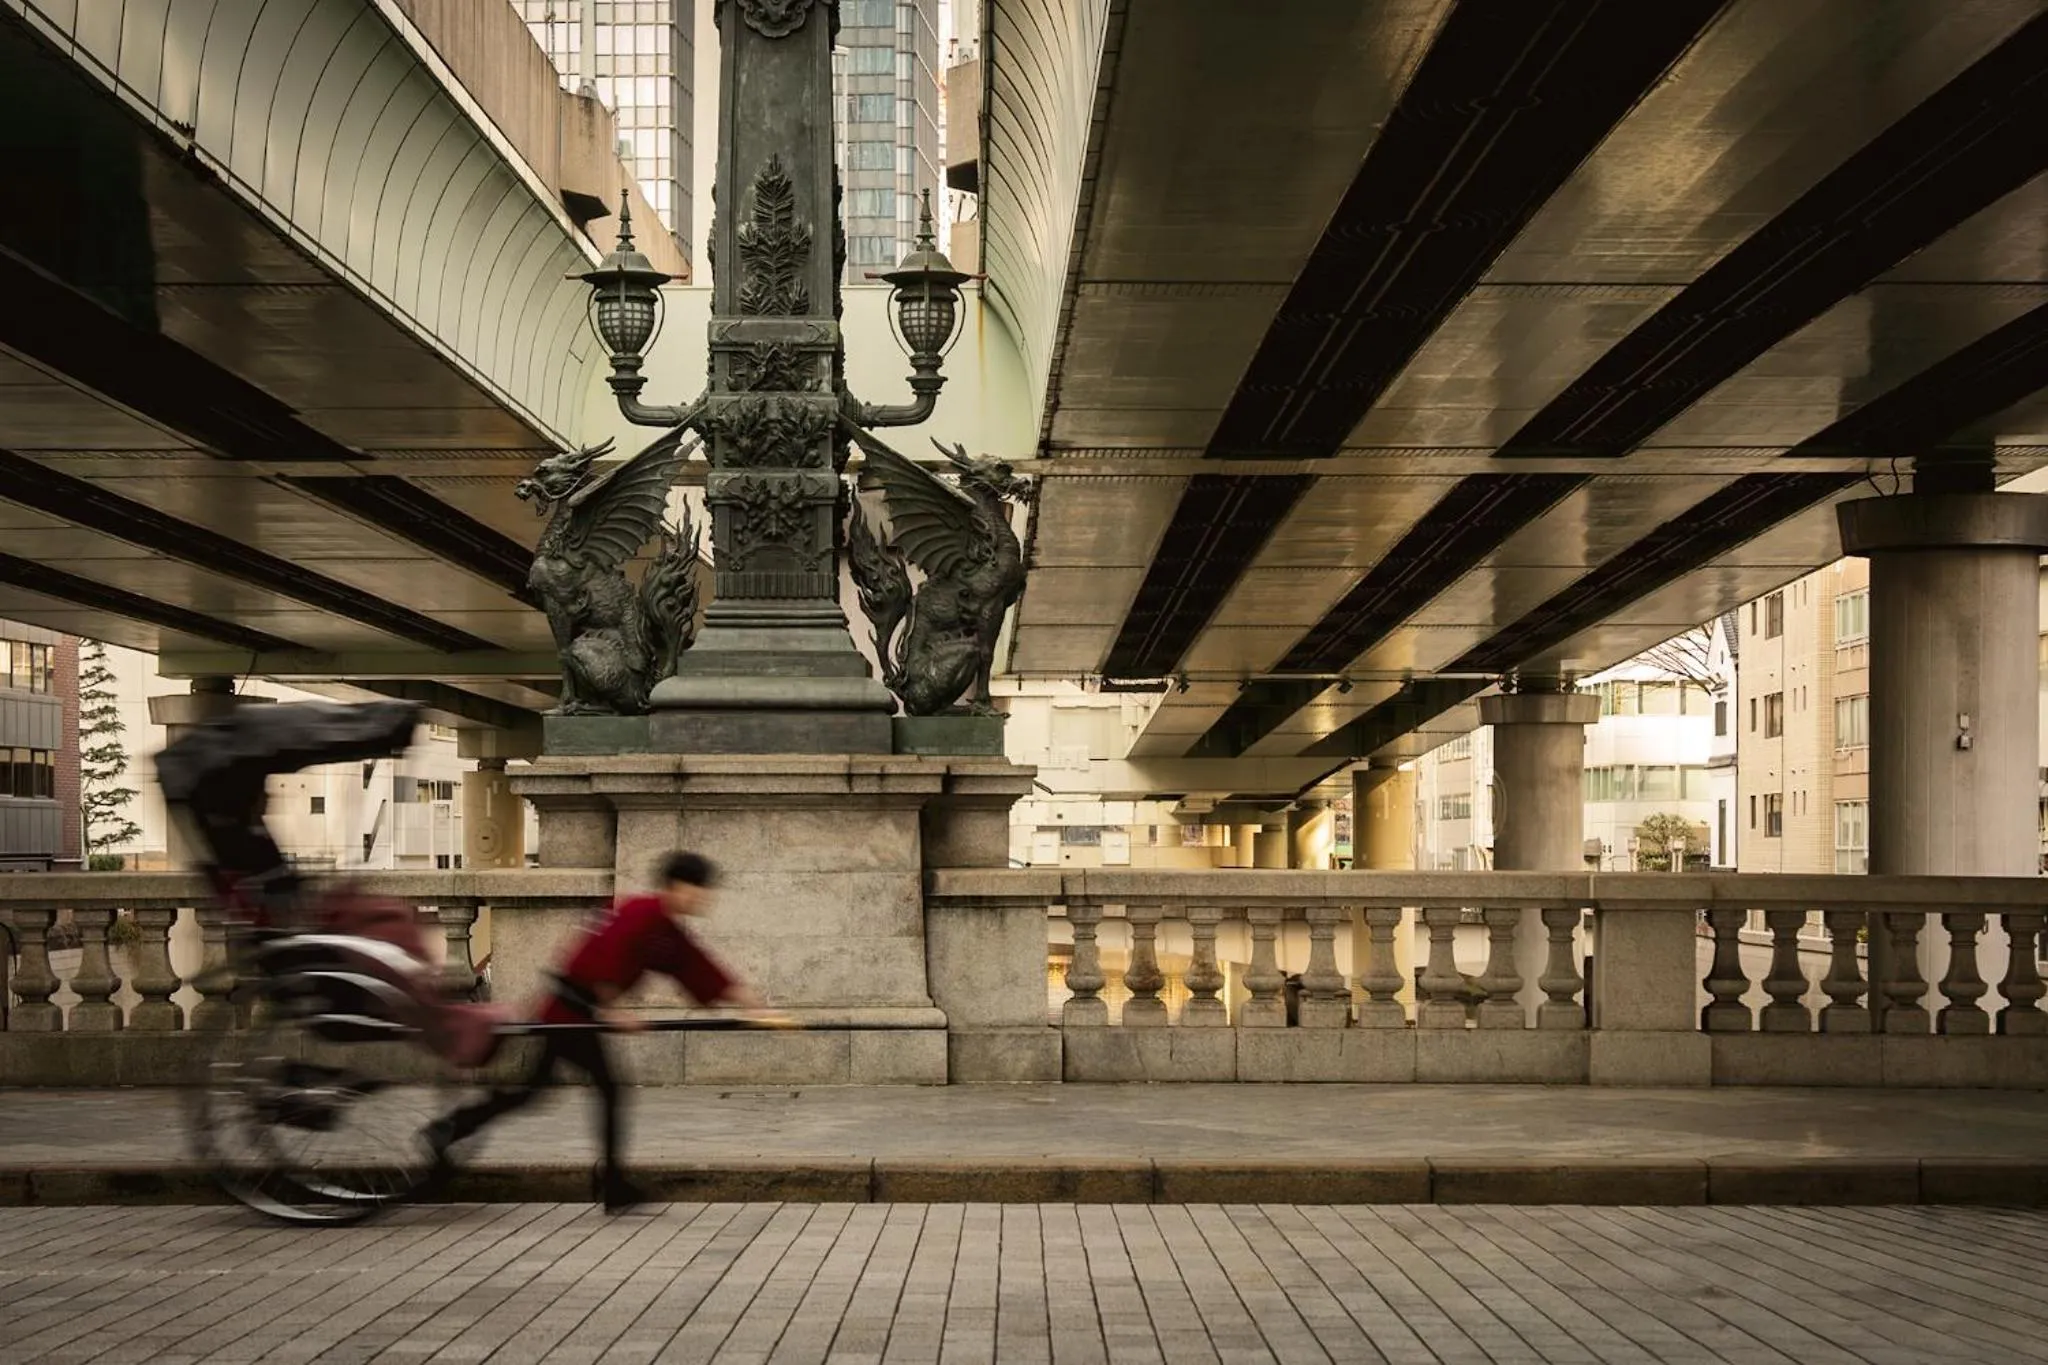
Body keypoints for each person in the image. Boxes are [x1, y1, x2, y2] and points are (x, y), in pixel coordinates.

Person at [425, 850, 785, 1212]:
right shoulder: (641, 913)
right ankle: (612, 1183)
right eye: (700, 889)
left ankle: (453, 1127)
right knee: (602, 1090)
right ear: (678, 887)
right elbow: (609, 955)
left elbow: (702, 969)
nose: (704, 898)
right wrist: (610, 1009)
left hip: (574, 1010)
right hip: (571, 1010)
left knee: (535, 1093)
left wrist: (755, 1006)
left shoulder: (666, 929)